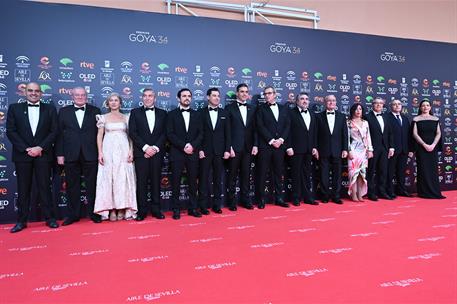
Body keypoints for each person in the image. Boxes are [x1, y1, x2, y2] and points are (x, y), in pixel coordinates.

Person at [6, 82, 59, 233]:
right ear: (25, 92)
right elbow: (11, 131)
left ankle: (50, 219)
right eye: (30, 90)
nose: (34, 93)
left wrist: (40, 147)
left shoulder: (50, 109)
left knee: (45, 188)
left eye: (36, 91)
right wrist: (27, 149)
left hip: (44, 154)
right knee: (23, 189)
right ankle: (21, 221)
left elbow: (54, 131)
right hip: (23, 155)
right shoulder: (14, 108)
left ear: (41, 93)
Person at [56, 87, 102, 225]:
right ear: (72, 96)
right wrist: (60, 154)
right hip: (70, 154)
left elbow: (100, 134)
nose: (80, 97)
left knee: (93, 185)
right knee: (72, 186)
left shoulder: (95, 111)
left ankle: (94, 213)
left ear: (86, 96)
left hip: (90, 153)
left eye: (83, 95)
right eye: (77, 95)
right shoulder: (64, 112)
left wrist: (100, 152)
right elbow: (59, 135)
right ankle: (73, 215)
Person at [94, 93, 137, 221]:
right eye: (111, 100)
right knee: (109, 178)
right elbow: (99, 136)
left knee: (123, 178)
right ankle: (111, 209)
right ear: (108, 103)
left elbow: (131, 136)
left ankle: (123, 208)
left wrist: (131, 150)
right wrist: (100, 152)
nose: (113, 102)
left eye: (116, 100)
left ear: (120, 103)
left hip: (124, 150)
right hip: (108, 151)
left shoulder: (127, 117)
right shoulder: (103, 117)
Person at [129, 88, 167, 221]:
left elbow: (165, 133)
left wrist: (155, 148)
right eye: (145, 96)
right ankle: (142, 211)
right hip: (141, 153)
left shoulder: (163, 113)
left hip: (157, 153)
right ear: (142, 98)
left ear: (154, 98)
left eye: (150, 96)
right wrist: (145, 148)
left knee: (156, 182)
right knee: (142, 183)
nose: (147, 98)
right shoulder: (135, 113)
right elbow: (133, 133)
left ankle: (156, 210)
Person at [166, 88, 203, 219]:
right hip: (177, 153)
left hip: (193, 153)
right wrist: (183, 146)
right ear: (178, 98)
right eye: (184, 96)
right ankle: (176, 209)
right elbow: (169, 134)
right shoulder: (171, 115)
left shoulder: (197, 114)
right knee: (175, 182)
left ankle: (193, 208)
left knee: (193, 182)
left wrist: (192, 145)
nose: (186, 98)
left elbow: (201, 133)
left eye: (189, 96)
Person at [255, 86, 290, 208]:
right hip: (265, 146)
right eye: (265, 94)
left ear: (275, 94)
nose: (267, 96)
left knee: (278, 173)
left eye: (269, 93)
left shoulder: (284, 109)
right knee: (262, 173)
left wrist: (280, 140)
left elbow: (287, 126)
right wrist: (271, 140)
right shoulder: (260, 109)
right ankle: (261, 200)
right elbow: (260, 126)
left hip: (279, 147)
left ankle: (279, 198)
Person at [225, 83, 258, 210]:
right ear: (237, 93)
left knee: (246, 175)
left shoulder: (252, 108)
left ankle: (246, 200)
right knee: (232, 175)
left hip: (248, 147)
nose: (244, 94)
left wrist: (255, 144)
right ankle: (231, 202)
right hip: (235, 147)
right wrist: (229, 147)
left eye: (246, 91)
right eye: (242, 91)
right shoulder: (229, 108)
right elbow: (227, 130)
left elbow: (255, 129)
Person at [198, 88, 231, 214]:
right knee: (203, 179)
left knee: (218, 179)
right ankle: (202, 205)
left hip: (220, 151)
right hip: (205, 152)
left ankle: (217, 204)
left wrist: (227, 149)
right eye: (214, 95)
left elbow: (228, 133)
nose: (217, 98)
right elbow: (198, 133)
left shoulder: (224, 113)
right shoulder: (200, 113)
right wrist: (199, 149)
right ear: (208, 97)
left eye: (218, 96)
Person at [286, 92, 319, 206]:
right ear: (297, 101)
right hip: (295, 149)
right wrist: (288, 146)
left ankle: (307, 197)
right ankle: (296, 197)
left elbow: (314, 132)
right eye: (302, 99)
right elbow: (287, 132)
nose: (305, 101)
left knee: (306, 174)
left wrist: (314, 146)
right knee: (295, 174)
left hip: (309, 149)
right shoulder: (290, 113)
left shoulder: (312, 113)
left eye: (306, 99)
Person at [317, 95, 348, 204]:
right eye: (329, 101)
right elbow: (315, 135)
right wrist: (315, 148)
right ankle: (325, 195)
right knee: (323, 174)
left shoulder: (342, 116)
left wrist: (345, 149)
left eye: (333, 100)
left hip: (338, 150)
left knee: (337, 175)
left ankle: (336, 196)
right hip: (323, 150)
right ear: (325, 103)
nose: (331, 102)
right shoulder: (318, 116)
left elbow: (345, 134)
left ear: (336, 103)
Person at [412, 99, 445, 199]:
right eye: (423, 105)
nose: (425, 107)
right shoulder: (416, 119)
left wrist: (433, 144)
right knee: (423, 169)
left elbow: (438, 133)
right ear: (420, 108)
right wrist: (424, 145)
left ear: (430, 107)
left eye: (427, 105)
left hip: (433, 148)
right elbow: (414, 134)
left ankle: (434, 191)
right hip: (421, 148)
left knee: (432, 170)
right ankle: (423, 192)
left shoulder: (435, 119)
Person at [365, 97, 395, 201]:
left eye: (381, 103)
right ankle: (371, 193)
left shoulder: (386, 117)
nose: (378, 105)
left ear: (383, 105)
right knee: (371, 171)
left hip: (385, 148)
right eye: (376, 103)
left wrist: (391, 147)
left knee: (383, 171)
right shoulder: (367, 117)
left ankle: (382, 191)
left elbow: (390, 133)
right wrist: (369, 148)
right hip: (372, 148)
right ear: (372, 105)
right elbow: (365, 134)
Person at [386, 99, 413, 197]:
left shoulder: (405, 118)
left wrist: (410, 149)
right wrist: (390, 147)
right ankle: (389, 190)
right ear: (391, 106)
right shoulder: (386, 117)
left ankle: (401, 190)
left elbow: (408, 135)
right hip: (392, 150)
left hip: (404, 150)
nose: (397, 106)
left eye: (399, 104)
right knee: (390, 171)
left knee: (401, 171)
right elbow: (387, 135)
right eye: (394, 104)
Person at [347, 103, 373, 202]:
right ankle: (353, 194)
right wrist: (349, 150)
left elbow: (368, 137)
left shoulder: (365, 123)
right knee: (353, 173)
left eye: (360, 109)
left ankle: (360, 194)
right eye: (356, 109)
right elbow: (347, 139)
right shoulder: (348, 123)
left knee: (362, 174)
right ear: (352, 111)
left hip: (364, 151)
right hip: (353, 150)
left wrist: (370, 150)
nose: (358, 111)